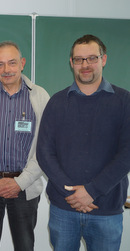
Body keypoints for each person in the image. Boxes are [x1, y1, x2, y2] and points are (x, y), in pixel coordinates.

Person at [36, 34, 130, 251]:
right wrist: (71, 194)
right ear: (71, 63)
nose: (85, 65)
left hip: (106, 209)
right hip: (64, 209)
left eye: (92, 58)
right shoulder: (57, 102)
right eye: (79, 59)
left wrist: (92, 191)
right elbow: (44, 152)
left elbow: (127, 153)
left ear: (103, 59)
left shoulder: (124, 101)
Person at [0, 41, 50, 251]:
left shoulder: (40, 97)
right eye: (0, 64)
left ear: (22, 63)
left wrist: (19, 182)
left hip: (25, 187)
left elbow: (46, 146)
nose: (6, 70)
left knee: (24, 246)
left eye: (12, 63)